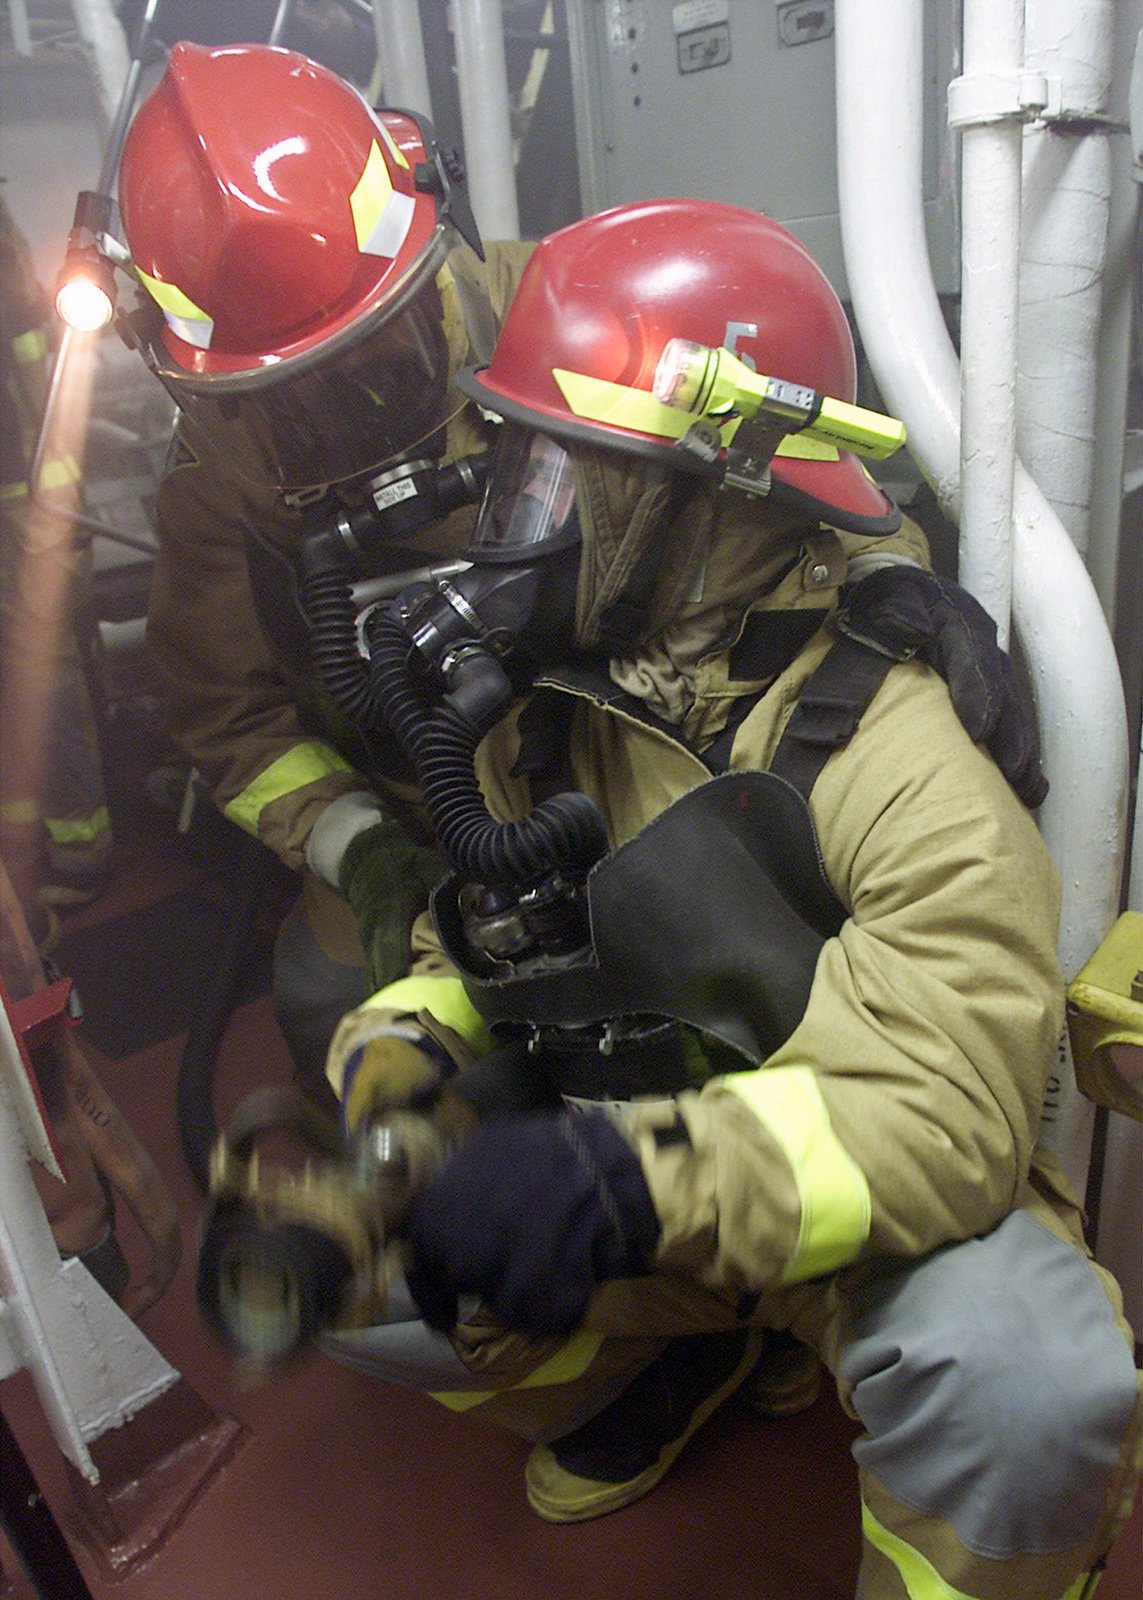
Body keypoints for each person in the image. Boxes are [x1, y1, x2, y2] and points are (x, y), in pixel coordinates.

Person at [307, 201, 1140, 1599]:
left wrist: (615, 1189)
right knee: (357, 1260)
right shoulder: (547, 712)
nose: (523, 523)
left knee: (1025, 1382)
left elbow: (938, 1119)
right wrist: (401, 1047)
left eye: (564, 478)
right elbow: (490, 927)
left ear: (710, 497)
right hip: (666, 1192)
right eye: (518, 471)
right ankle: (686, 1358)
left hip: (851, 1215)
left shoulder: (902, 752)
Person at [116, 41, 1040, 1117]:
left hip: (596, 760)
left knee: (684, 1004)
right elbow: (223, 716)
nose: (357, 419)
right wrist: (359, 852)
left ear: (430, 248)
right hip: (405, 812)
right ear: (217, 394)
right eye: (299, 402)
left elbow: (770, 484)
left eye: (383, 356)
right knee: (330, 1000)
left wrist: (886, 571)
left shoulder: (564, 318)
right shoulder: (219, 483)